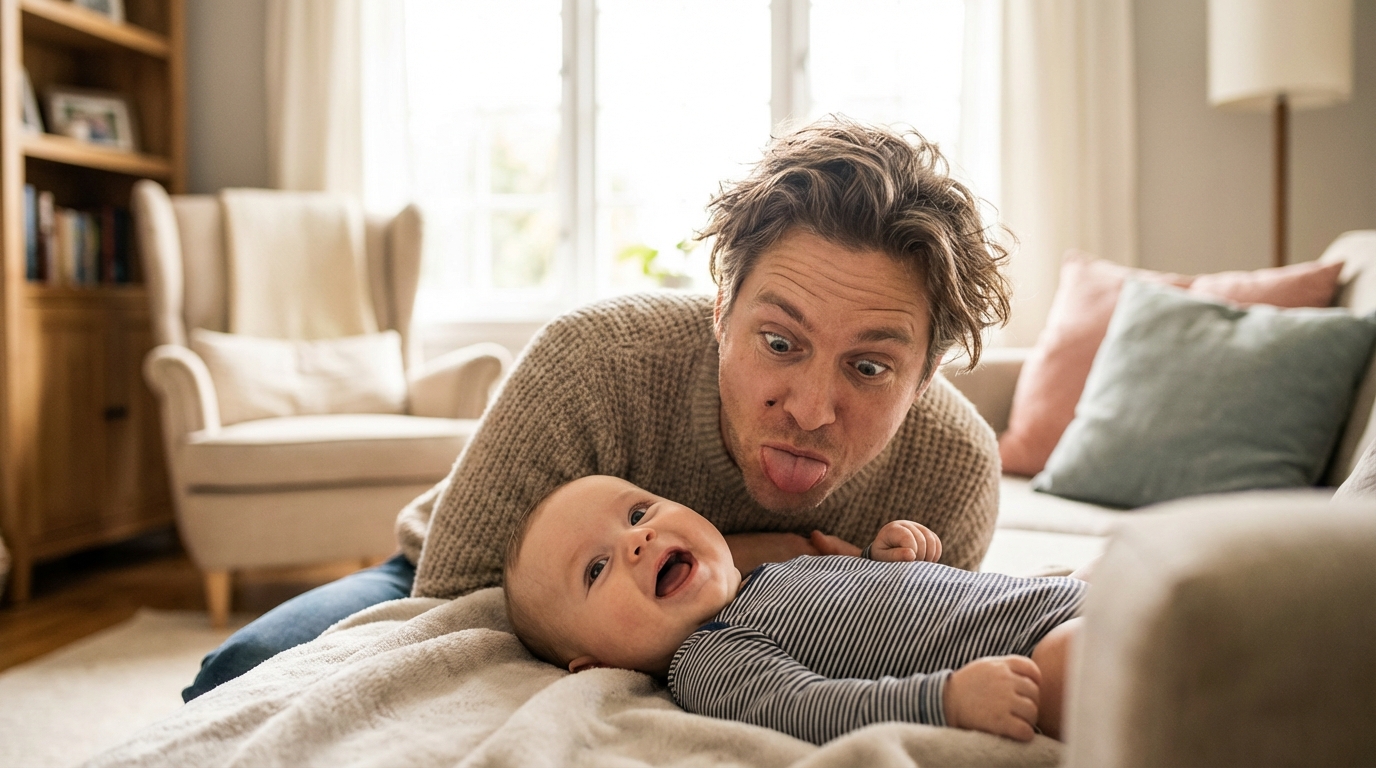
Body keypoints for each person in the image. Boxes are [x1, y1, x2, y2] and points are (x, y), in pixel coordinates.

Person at [183, 116, 1013, 701]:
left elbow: (921, 650)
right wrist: (756, 559)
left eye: (869, 367)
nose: (809, 409)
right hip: (488, 579)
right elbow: (457, 601)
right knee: (243, 670)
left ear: (926, 376)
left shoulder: (952, 470)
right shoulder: (595, 360)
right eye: (779, 342)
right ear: (721, 310)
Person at [505, 475, 1086, 743]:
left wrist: (878, 560)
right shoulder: (709, 658)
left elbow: (858, 609)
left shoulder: (773, 575)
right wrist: (947, 700)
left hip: (1044, 599)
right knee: (1090, 665)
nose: (638, 540)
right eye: (596, 569)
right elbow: (811, 707)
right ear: (595, 664)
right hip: (1033, 653)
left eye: (638, 513)